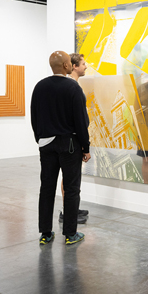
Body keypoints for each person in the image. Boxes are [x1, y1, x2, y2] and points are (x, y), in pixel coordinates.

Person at [31, 51, 90, 246]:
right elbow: (81, 121)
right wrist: (86, 147)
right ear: (67, 66)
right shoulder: (72, 88)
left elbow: (34, 117)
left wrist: (39, 139)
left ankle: (46, 234)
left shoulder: (39, 87)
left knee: (46, 188)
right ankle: (70, 234)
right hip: (69, 145)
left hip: (46, 144)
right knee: (72, 189)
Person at [60, 53, 90, 226]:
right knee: (69, 176)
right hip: (71, 139)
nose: (85, 66)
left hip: (75, 138)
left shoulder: (74, 85)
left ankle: (72, 208)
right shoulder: (71, 86)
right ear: (74, 67)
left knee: (73, 176)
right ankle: (67, 212)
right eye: (83, 64)